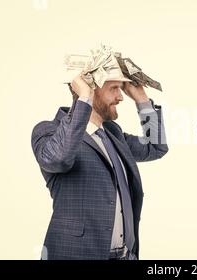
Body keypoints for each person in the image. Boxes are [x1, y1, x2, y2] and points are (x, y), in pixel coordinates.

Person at [31, 49, 168, 260]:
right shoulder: (48, 131)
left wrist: (141, 99)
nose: (120, 97)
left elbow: (155, 147)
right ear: (91, 89)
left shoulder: (113, 133)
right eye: (114, 88)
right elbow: (58, 158)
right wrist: (83, 98)